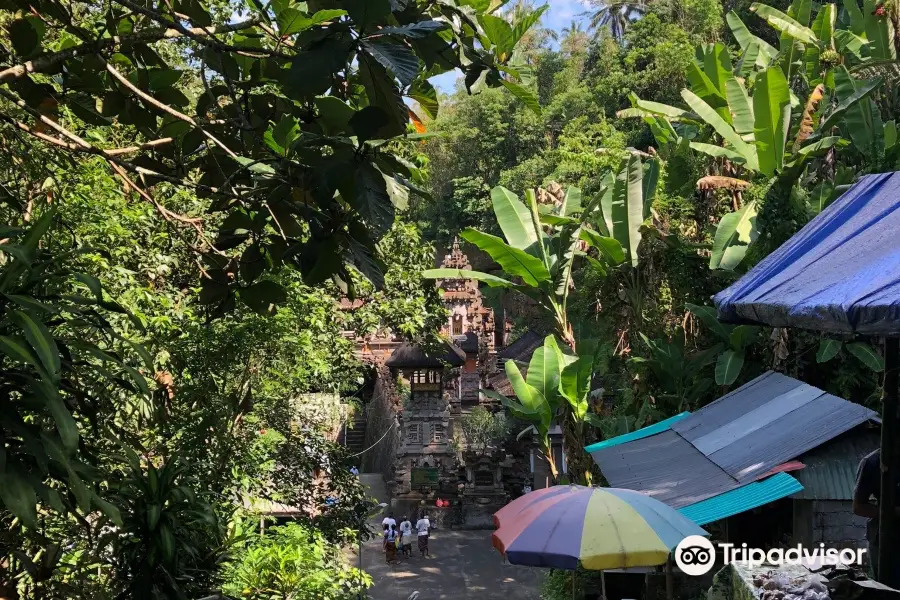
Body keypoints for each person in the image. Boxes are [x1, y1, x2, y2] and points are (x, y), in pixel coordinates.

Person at [853, 448, 900, 582]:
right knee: (889, 589)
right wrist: (894, 512)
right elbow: (858, 507)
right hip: (887, 542)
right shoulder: (873, 462)